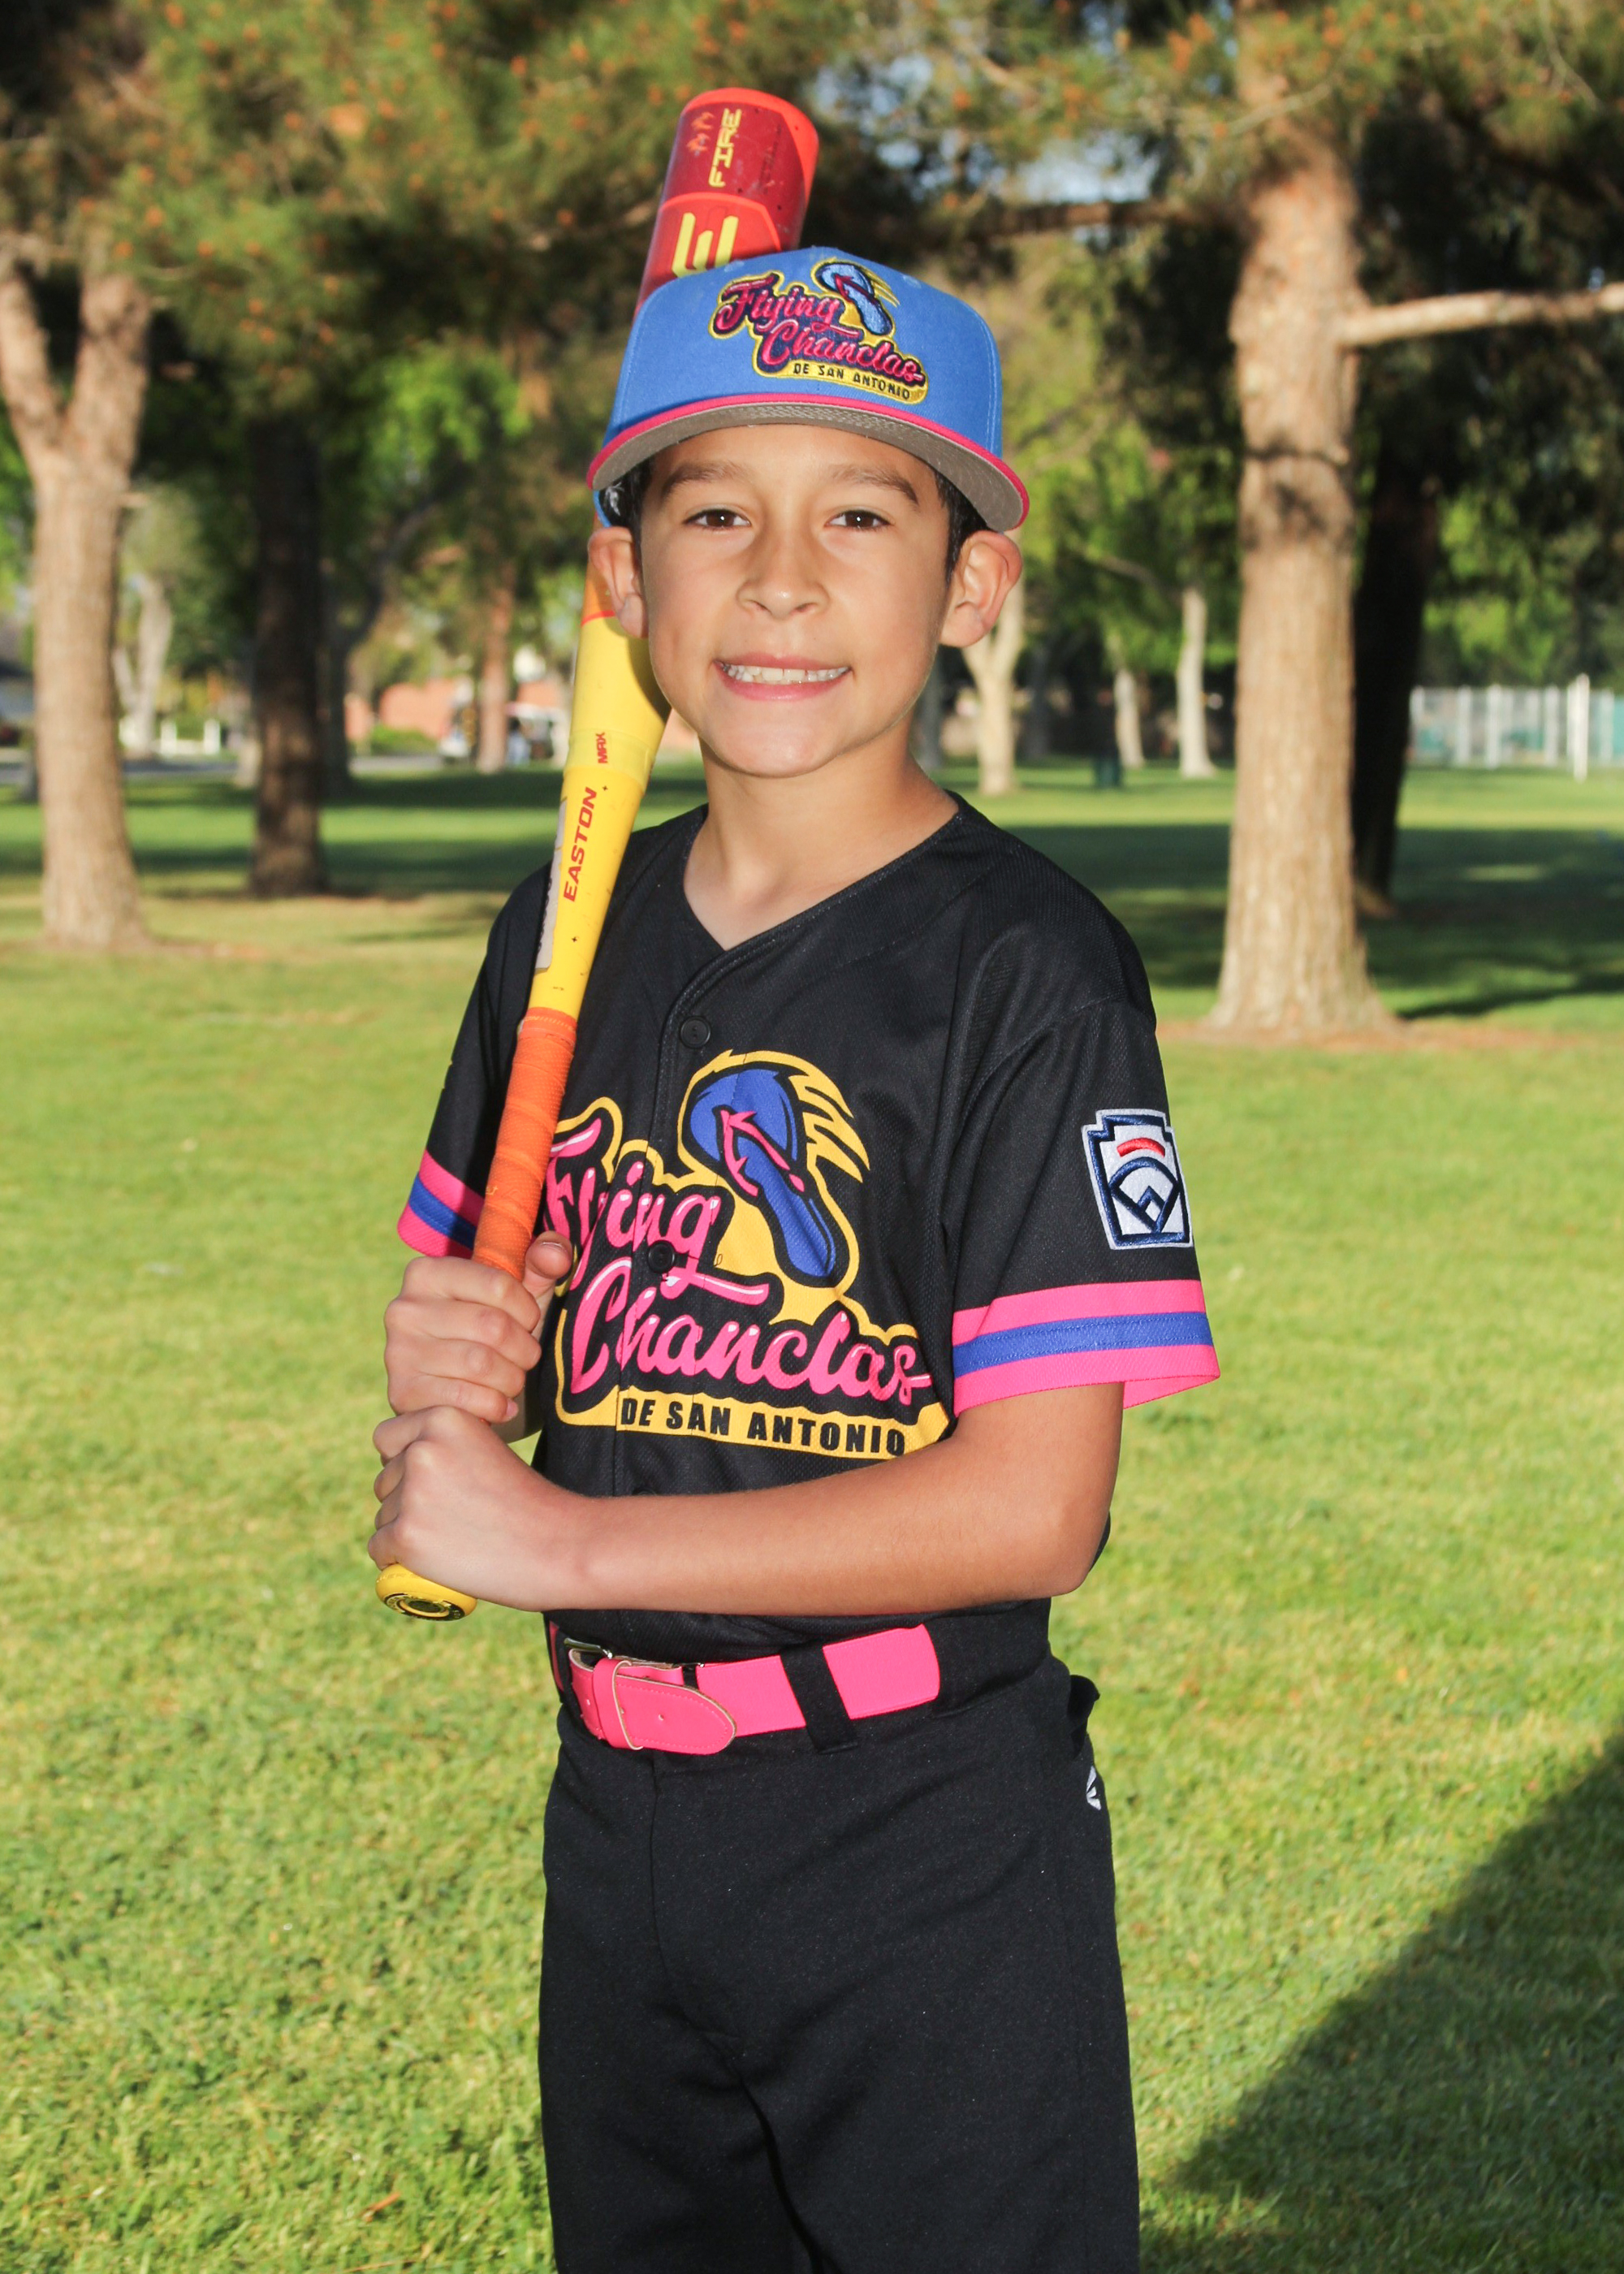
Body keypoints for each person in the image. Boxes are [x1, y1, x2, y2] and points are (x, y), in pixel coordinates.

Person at [372, 248, 1218, 2274]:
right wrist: (465, 1358)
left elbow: (1035, 1506)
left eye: (858, 516)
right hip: (620, 1824)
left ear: (970, 585)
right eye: (711, 515)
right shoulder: (560, 932)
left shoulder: (1026, 967)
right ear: (621, 580)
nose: (776, 581)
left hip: (919, 1839)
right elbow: (504, 1350)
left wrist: (559, 1540)